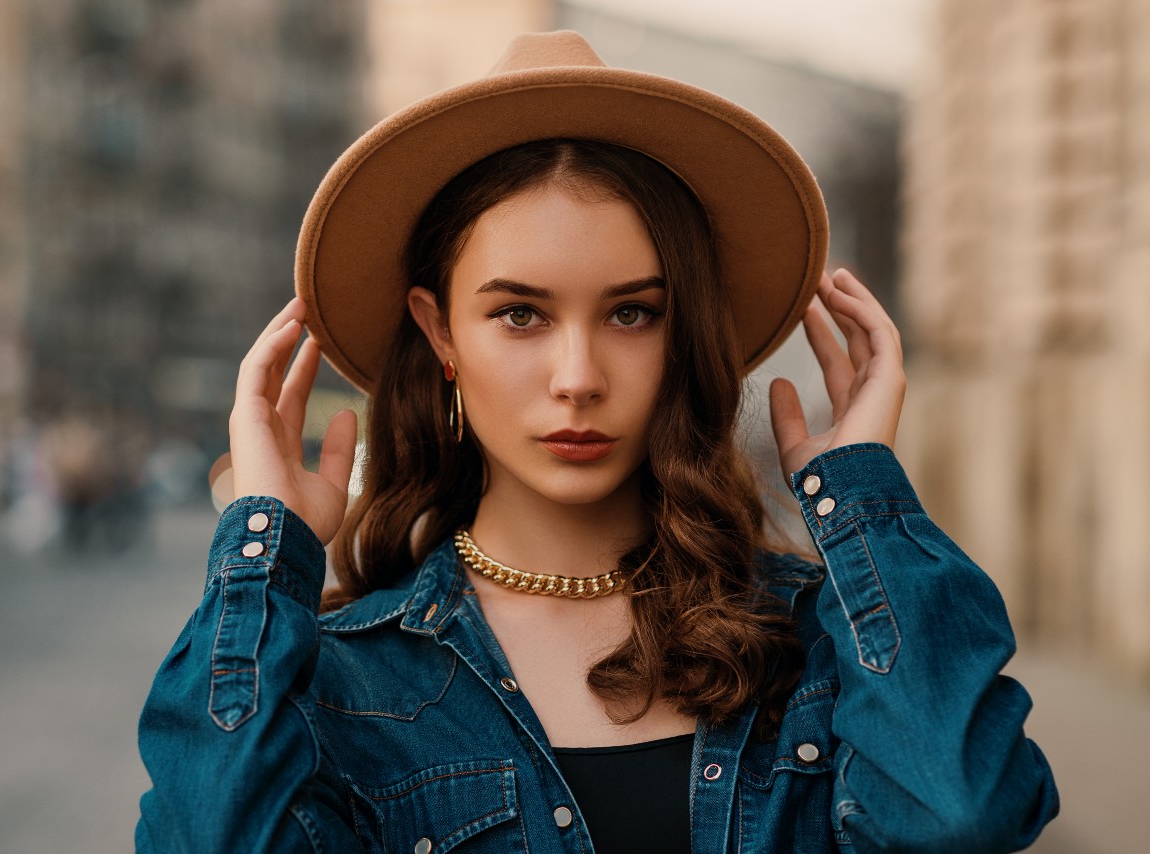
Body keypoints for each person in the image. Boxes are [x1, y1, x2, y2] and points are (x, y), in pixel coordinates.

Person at [136, 31, 1058, 853]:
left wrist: (861, 495)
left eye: (631, 312)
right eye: (520, 314)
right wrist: (266, 551)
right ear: (440, 331)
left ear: (684, 330)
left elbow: (960, 820)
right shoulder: (343, 680)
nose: (578, 375)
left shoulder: (819, 645)